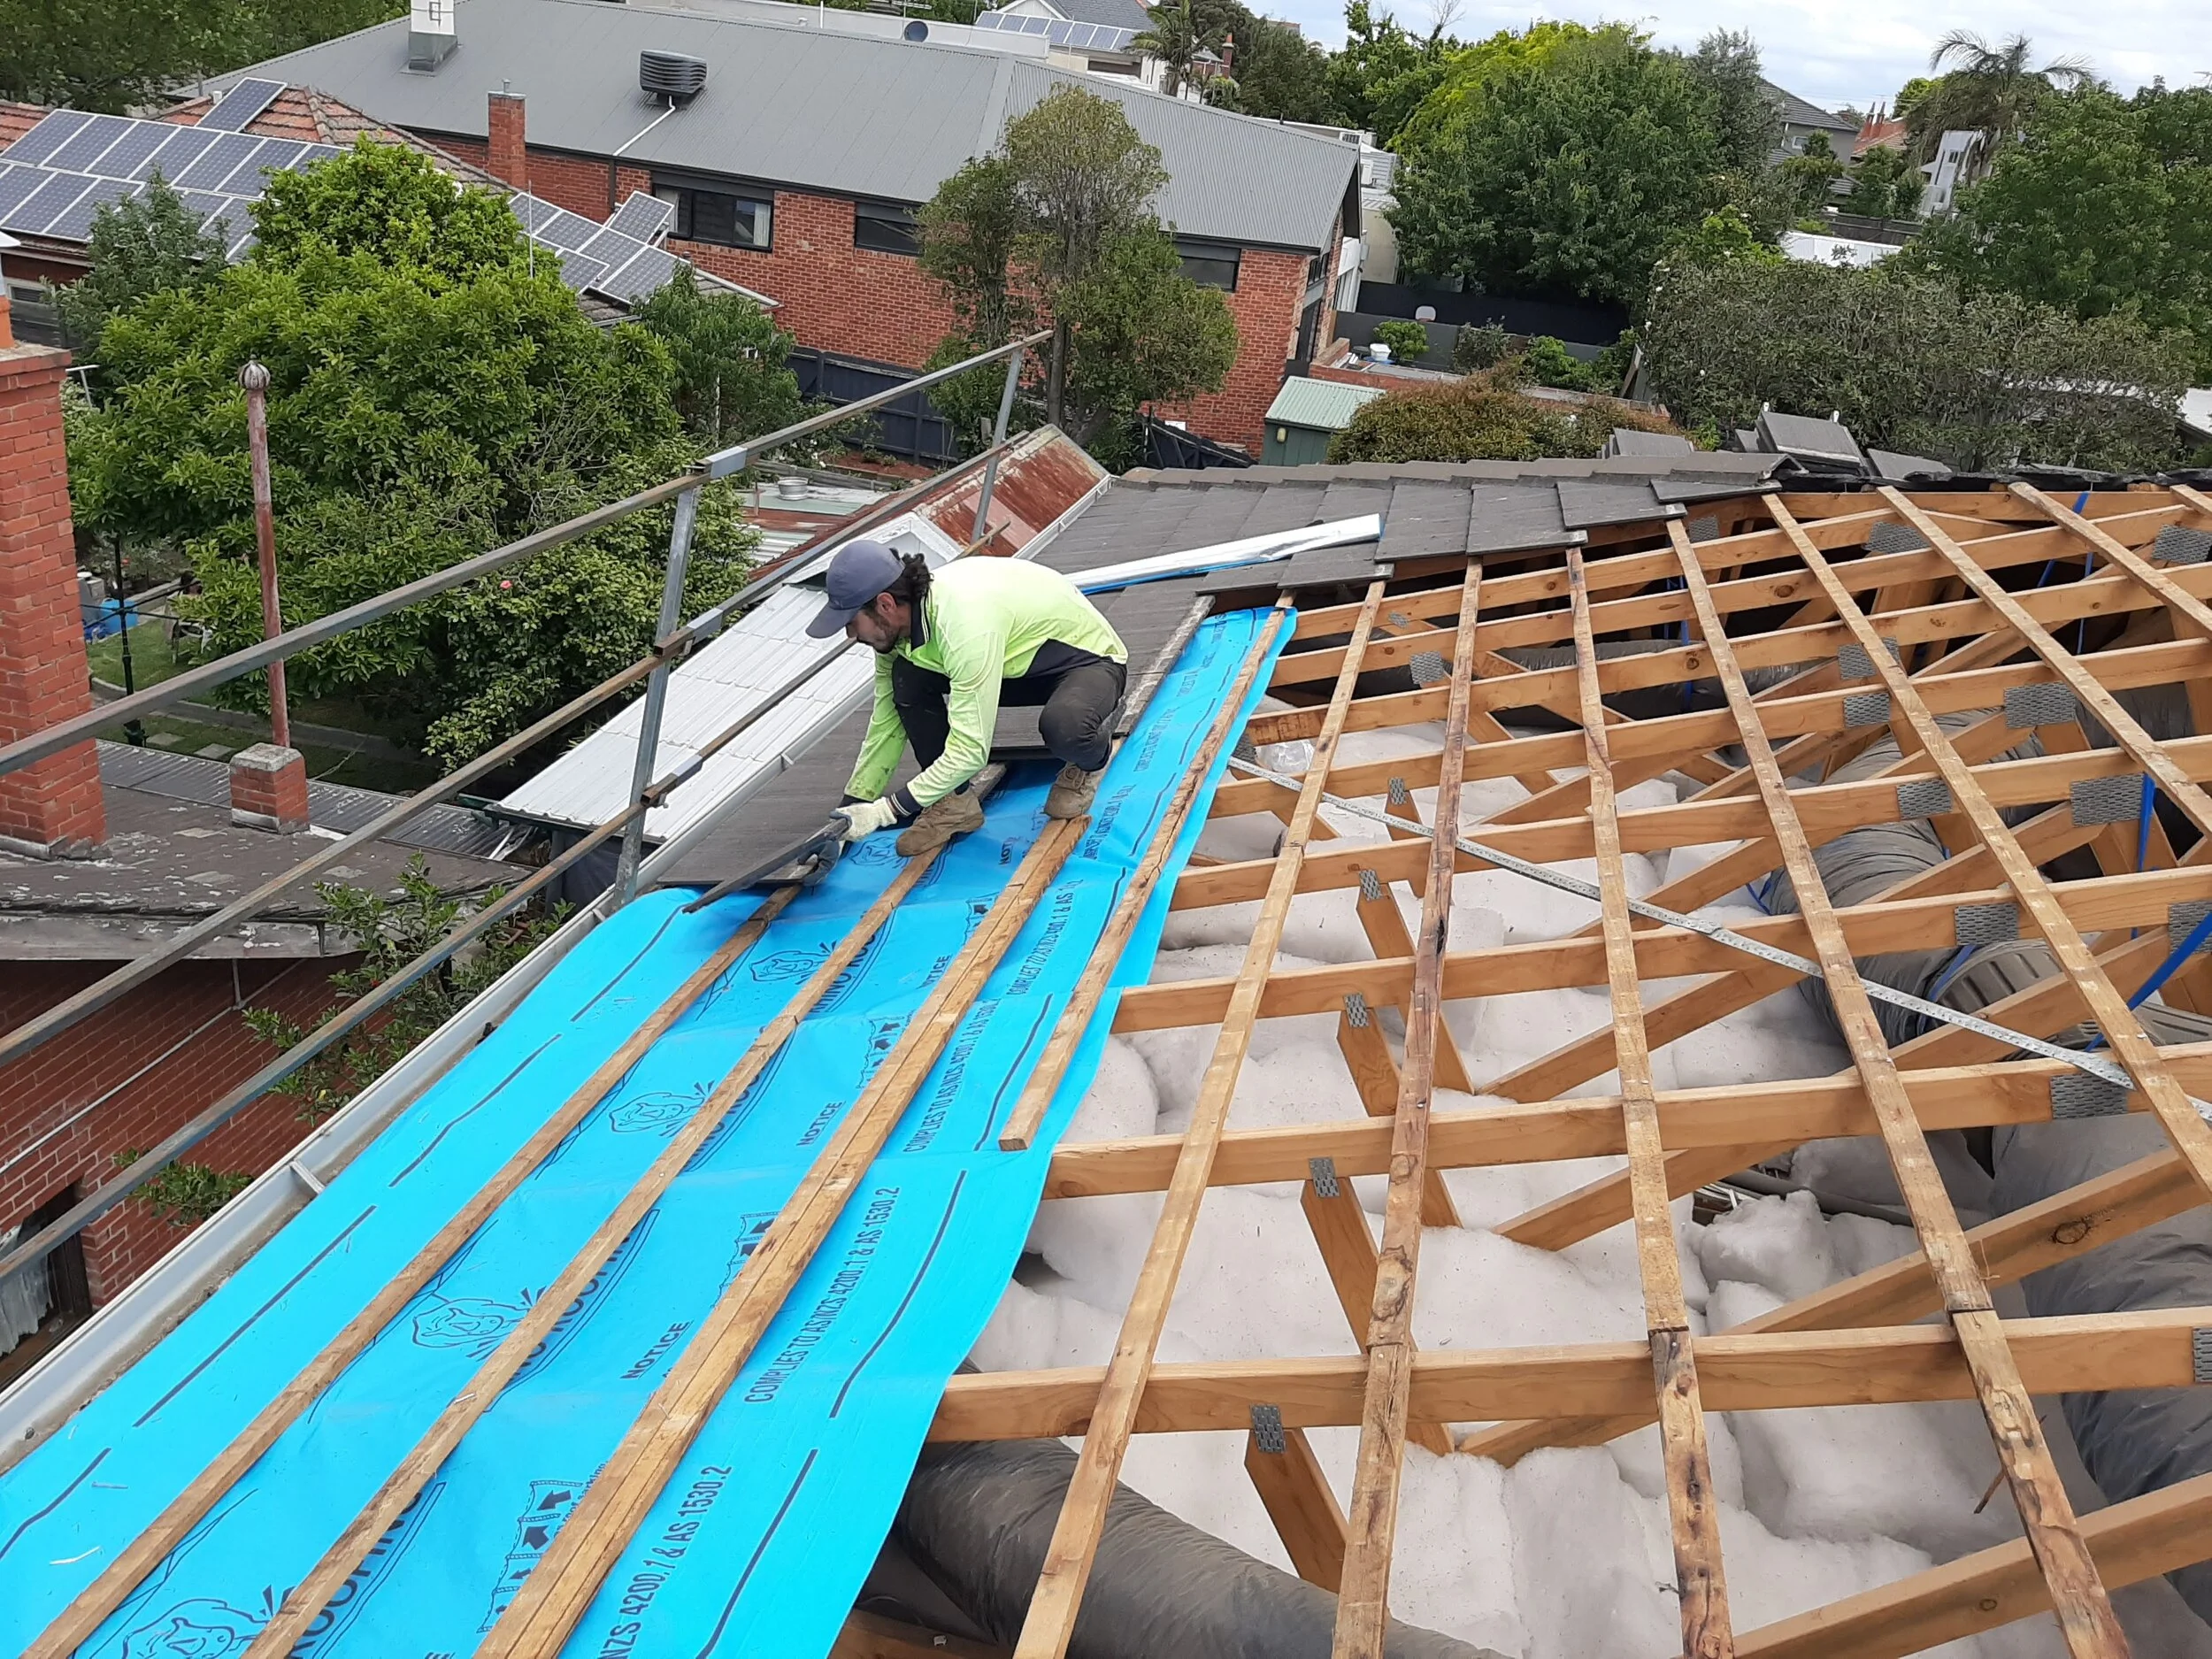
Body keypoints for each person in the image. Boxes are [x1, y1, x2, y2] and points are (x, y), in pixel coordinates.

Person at [805, 539, 1128, 856]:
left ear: (885, 604)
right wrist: (854, 806)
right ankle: (955, 803)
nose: (850, 635)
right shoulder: (896, 636)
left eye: (851, 623)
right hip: (1009, 665)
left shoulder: (964, 622)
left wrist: (885, 811)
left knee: (1065, 726)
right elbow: (887, 721)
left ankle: (1091, 760)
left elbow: (971, 751)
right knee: (907, 678)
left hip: (1086, 663)